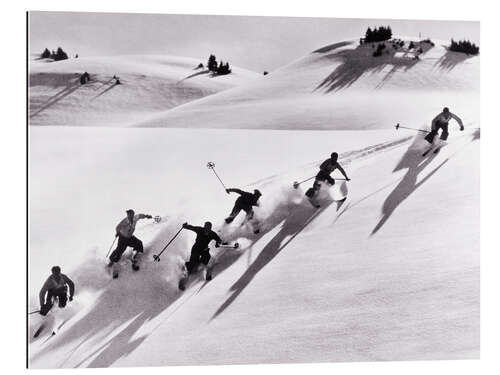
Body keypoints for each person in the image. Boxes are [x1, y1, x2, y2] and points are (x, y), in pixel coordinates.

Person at [108, 209, 153, 274]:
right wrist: (117, 232)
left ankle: (134, 258)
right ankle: (111, 264)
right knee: (119, 251)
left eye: (132, 215)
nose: (130, 216)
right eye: (129, 215)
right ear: (127, 215)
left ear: (133, 214)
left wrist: (147, 216)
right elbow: (117, 227)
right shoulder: (124, 221)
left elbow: (140, 215)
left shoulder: (135, 217)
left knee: (139, 243)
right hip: (122, 238)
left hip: (129, 238)